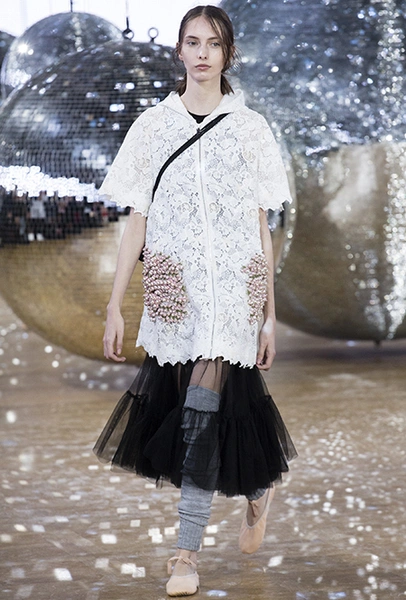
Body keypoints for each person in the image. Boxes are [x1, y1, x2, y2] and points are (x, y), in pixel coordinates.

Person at [93, 5, 297, 597]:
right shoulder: (152, 127)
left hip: (234, 293)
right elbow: (137, 220)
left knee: (201, 412)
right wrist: (114, 305)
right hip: (175, 294)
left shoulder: (251, 129)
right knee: (210, 407)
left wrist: (269, 317)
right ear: (179, 50)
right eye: (192, 41)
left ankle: (185, 554)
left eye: (213, 43)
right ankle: (258, 487)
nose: (202, 52)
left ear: (229, 53)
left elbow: (262, 225)